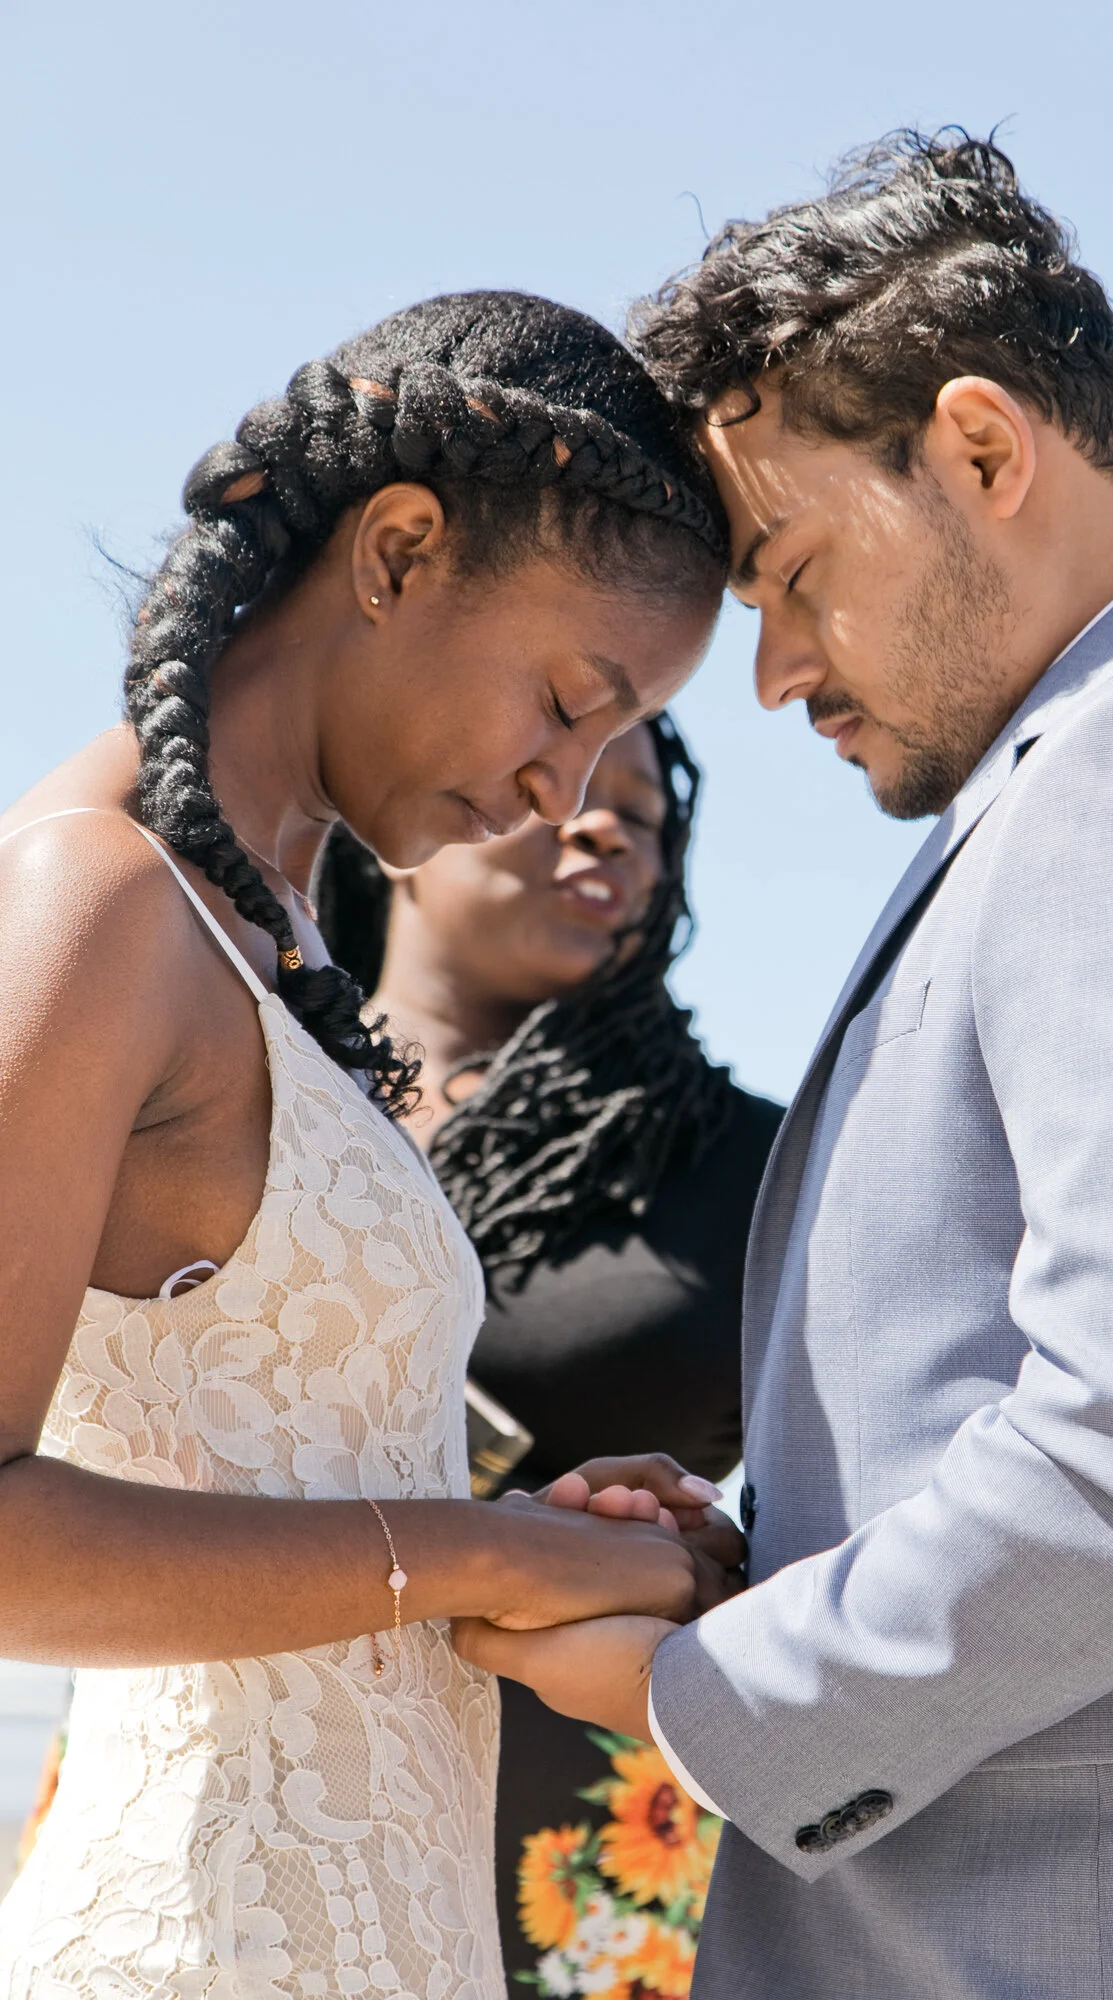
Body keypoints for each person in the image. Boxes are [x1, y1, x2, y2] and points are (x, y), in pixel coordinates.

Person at [455, 134, 1113, 1999]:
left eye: (788, 574)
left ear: (982, 450)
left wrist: (701, 1690)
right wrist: (763, 1555)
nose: (772, 673)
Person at [0, 289, 746, 2000]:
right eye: (566, 702)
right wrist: (485, 1549)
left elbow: (260, 1495)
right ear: (399, 553)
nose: (565, 795)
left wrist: (553, 1543)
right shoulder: (93, 901)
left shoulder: (272, 948)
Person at [316, 711, 781, 1995]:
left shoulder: (755, 1166)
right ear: (398, 823)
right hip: (219, 1794)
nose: (609, 829)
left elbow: (850, 1527)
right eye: (563, 783)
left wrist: (702, 1562)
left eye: (643, 815)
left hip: (576, 1872)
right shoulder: (241, 1091)